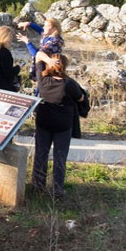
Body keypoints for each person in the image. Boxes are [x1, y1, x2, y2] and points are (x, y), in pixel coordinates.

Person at [32, 55, 84, 198]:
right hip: (63, 125)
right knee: (60, 157)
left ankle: (38, 186)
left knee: (41, 154)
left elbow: (38, 55)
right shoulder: (69, 84)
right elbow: (81, 98)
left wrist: (47, 60)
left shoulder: (42, 81)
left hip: (44, 122)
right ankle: (57, 189)